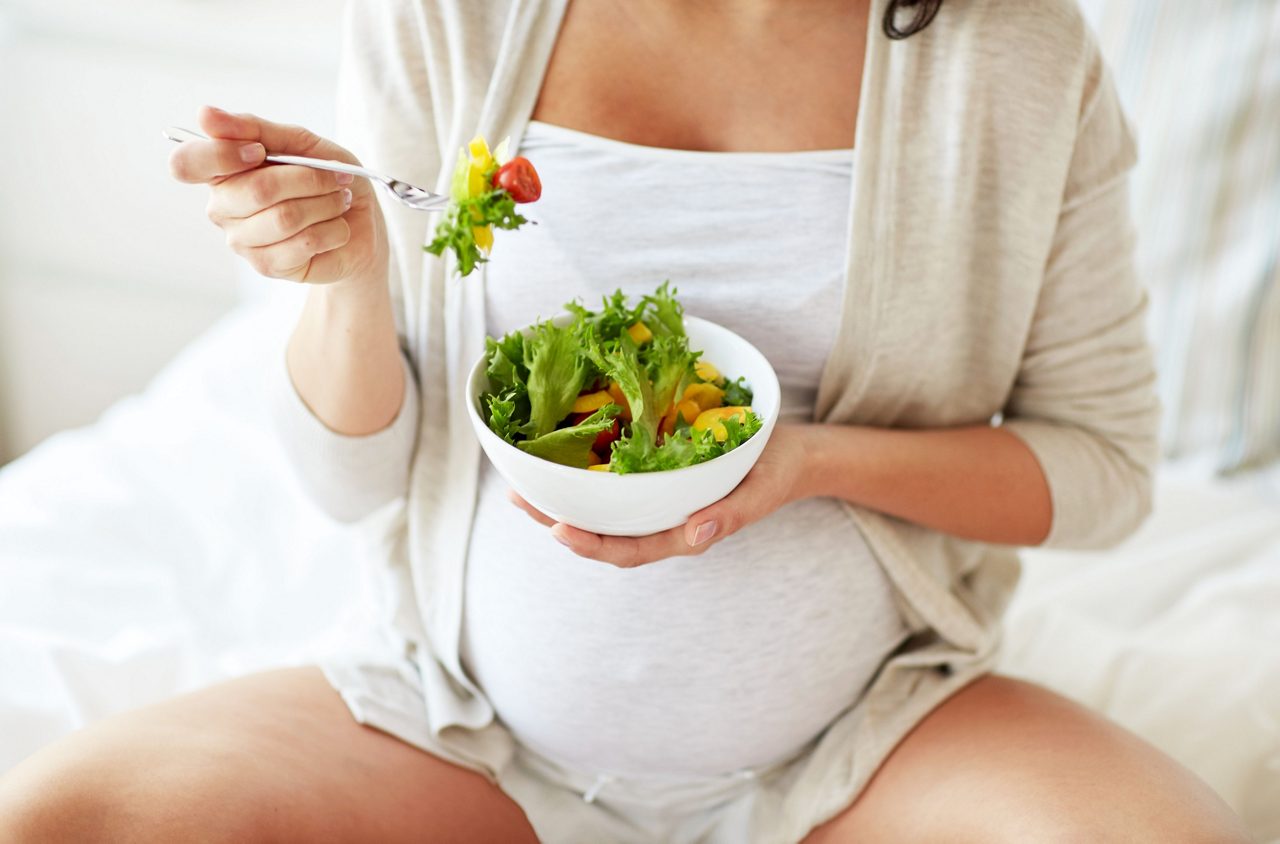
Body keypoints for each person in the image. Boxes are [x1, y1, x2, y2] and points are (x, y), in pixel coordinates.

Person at [0, 0, 1254, 841]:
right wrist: (350, 280)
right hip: (460, 731)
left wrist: (805, 462)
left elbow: (1099, 470)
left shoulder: (1013, 53)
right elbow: (349, 482)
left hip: (868, 744)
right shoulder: (452, 16)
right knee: (60, 817)